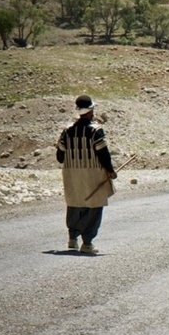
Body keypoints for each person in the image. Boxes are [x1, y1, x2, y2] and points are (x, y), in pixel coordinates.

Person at [56, 95, 117, 254]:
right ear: (91, 110)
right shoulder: (95, 130)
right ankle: (87, 243)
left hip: (71, 172)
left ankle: (72, 238)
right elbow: (103, 154)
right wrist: (110, 171)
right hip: (92, 173)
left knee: (75, 203)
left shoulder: (67, 131)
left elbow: (60, 156)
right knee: (94, 205)